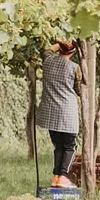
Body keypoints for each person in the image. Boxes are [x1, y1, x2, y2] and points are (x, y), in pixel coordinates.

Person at [36, 41, 80, 188]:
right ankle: (63, 177)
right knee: (70, 146)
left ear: (59, 50)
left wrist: (59, 42)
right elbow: (79, 90)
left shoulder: (48, 61)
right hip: (67, 112)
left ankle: (56, 177)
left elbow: (47, 50)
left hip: (50, 113)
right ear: (73, 53)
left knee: (59, 146)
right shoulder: (75, 68)